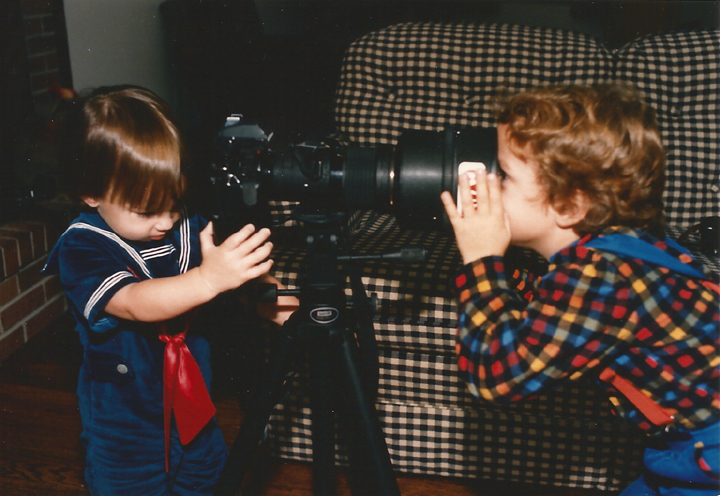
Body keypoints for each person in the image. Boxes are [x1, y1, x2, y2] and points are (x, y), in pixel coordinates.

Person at [440, 84, 719, 495]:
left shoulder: (602, 277)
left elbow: (496, 378)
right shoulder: (619, 250)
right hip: (687, 440)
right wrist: (499, 275)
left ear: (570, 206)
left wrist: (482, 261)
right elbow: (553, 313)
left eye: (504, 174)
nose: (489, 183)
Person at [43, 85, 298, 495]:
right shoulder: (82, 247)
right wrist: (208, 280)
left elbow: (251, 283)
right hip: (126, 428)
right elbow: (133, 302)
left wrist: (293, 312)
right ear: (90, 193)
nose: (165, 221)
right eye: (147, 210)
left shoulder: (187, 227)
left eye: (173, 202)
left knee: (208, 482)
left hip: (196, 416)